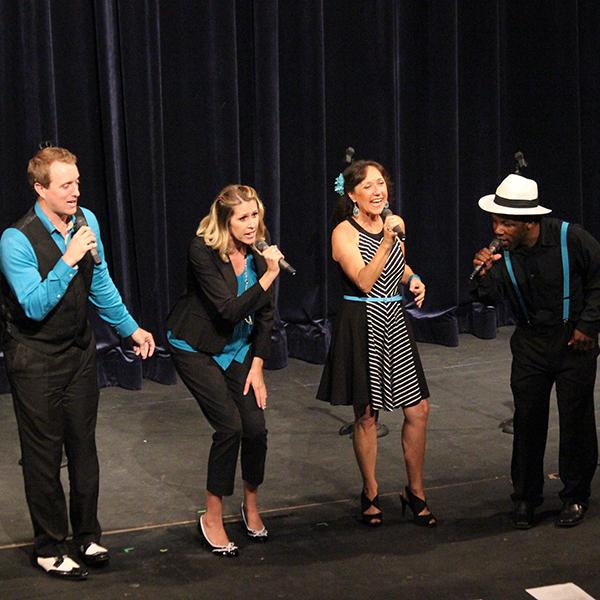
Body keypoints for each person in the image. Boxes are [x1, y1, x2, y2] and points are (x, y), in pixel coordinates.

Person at [0, 146, 155, 580]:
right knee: (43, 455)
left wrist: (130, 329)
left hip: (78, 353)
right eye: (66, 185)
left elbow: (99, 283)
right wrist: (68, 259)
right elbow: (33, 306)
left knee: (83, 449)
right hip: (34, 358)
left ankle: (86, 535)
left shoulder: (87, 222)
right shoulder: (16, 239)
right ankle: (49, 546)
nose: (75, 192)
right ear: (40, 188)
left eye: (78, 183)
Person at [471, 173, 600, 529]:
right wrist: (482, 274)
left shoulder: (569, 238)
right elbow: (486, 296)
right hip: (530, 343)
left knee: (576, 420)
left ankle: (575, 496)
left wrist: (588, 324)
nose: (498, 229)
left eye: (506, 223)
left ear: (531, 222)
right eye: (495, 221)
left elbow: (598, 279)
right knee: (527, 421)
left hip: (574, 340)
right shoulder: (503, 255)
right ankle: (526, 498)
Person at [317, 160, 436, 527]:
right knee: (367, 414)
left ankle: (414, 490)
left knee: (418, 410)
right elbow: (365, 280)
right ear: (352, 194)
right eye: (368, 186)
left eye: (381, 184)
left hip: (394, 322)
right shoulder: (343, 233)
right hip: (362, 321)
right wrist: (386, 239)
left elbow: (396, 267)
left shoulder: (394, 223)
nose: (378, 192)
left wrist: (413, 278)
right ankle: (370, 490)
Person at [166, 184, 283, 557]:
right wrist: (268, 275)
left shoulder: (259, 251)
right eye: (243, 218)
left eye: (256, 216)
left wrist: (259, 364)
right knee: (229, 426)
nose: (252, 225)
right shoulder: (202, 249)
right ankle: (212, 516)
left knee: (256, 428)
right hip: (196, 346)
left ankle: (251, 503)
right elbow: (229, 310)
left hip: (238, 348)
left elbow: (265, 315)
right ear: (225, 219)